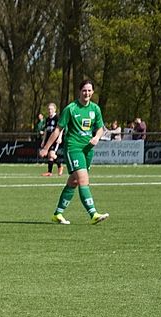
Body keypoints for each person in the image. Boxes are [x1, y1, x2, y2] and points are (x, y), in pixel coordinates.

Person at [39, 79, 109, 225]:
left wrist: (96, 137)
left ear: (93, 92)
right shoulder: (71, 108)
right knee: (83, 180)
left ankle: (57, 214)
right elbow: (58, 129)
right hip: (73, 148)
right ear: (79, 91)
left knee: (74, 181)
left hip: (88, 149)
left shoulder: (95, 109)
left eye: (89, 90)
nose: (87, 93)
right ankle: (93, 214)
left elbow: (100, 128)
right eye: (84, 90)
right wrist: (46, 148)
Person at [40, 103, 64, 177]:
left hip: (55, 139)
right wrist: (43, 141)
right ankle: (49, 172)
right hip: (48, 139)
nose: (49, 110)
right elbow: (46, 130)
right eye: (49, 109)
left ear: (55, 109)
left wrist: (60, 137)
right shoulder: (47, 119)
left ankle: (60, 165)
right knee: (49, 156)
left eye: (51, 109)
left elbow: (61, 128)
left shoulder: (57, 117)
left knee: (52, 154)